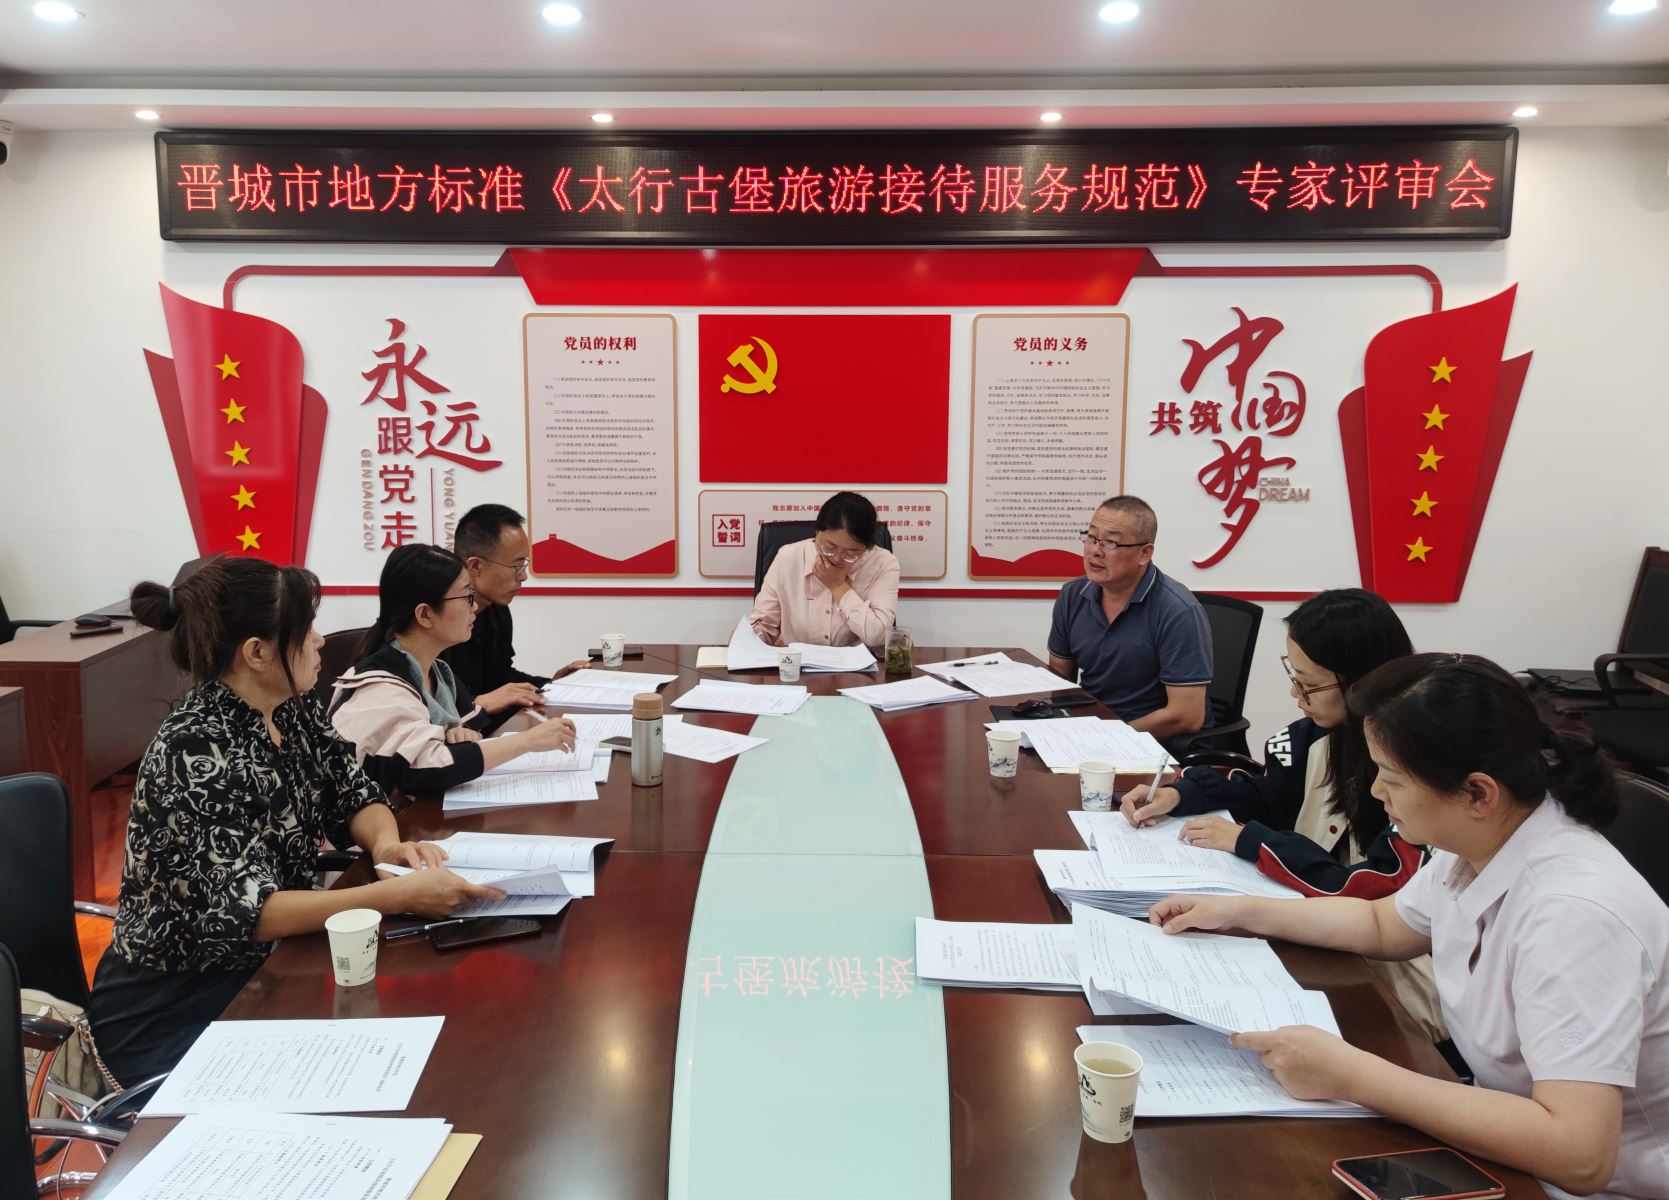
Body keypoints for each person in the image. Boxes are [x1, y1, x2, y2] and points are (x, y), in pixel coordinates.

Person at [1151, 654, 1668, 1200]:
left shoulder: (1575, 914)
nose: (1377, 792)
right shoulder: (1479, 841)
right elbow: (1382, 923)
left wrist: (1352, 1075)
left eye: (1392, 777)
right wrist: (1238, 911)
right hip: (1502, 1135)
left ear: (1478, 793)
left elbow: (1579, 1154)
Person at [87, 556, 507, 1086]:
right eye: (306, 630)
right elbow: (252, 913)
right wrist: (394, 895)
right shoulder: (192, 750)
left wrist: (385, 847)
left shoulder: (290, 710)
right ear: (256, 652)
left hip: (268, 969)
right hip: (181, 1007)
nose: (320, 641)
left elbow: (355, 793)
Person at [1120, 587, 1444, 1042]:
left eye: (1309, 684)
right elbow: (1267, 792)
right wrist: (1181, 793)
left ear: (1361, 680)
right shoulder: (1316, 737)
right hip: (1322, 935)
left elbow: (1374, 889)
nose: (1296, 693)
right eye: (1294, 676)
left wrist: (1251, 840)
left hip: (1387, 976)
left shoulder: (1412, 773)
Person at [330, 543, 578, 795]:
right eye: (466, 596)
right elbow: (425, 768)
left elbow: (467, 727)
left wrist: (460, 735)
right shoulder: (379, 688)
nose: (474, 607)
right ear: (425, 614)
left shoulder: (438, 672)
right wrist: (528, 741)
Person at [1047, 496, 1212, 740]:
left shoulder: (1178, 610)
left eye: (1111, 543)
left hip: (1153, 741)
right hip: (1091, 730)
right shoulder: (1073, 595)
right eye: (1091, 537)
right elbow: (1060, 683)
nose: (1095, 551)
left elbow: (1186, 716)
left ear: (1144, 553)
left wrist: (1110, 736)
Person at [441, 503, 583, 706]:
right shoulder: (438, 618)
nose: (523, 576)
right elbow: (424, 701)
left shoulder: (497, 609)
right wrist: (477, 703)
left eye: (524, 565)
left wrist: (552, 685)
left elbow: (501, 677)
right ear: (475, 566)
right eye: (516, 566)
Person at [748, 490, 901, 648]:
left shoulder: (883, 563)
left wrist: (838, 586)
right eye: (829, 547)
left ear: (867, 548)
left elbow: (878, 636)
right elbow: (763, 625)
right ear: (817, 532)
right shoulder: (788, 557)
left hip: (858, 663)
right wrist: (749, 636)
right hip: (796, 661)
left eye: (850, 553)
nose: (836, 558)